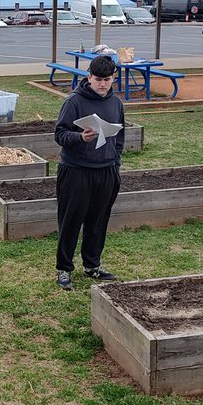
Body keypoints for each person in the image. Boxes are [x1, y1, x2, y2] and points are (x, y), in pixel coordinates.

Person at [53, 54, 124, 290]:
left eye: (107, 79)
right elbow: (60, 135)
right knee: (71, 221)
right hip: (76, 171)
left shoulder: (116, 103)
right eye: (98, 79)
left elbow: (120, 135)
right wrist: (79, 137)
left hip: (106, 171)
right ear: (89, 77)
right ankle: (64, 269)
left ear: (113, 78)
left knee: (98, 221)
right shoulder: (74, 102)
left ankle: (92, 265)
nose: (103, 84)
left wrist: (115, 161)